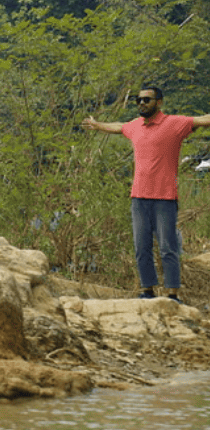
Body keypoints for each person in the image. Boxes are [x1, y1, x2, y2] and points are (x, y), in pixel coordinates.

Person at [82, 86, 210, 303]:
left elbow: (203, 120)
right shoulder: (135, 126)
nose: (141, 103)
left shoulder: (174, 123)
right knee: (142, 247)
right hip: (139, 197)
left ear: (159, 102)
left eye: (146, 100)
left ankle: (172, 294)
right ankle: (147, 290)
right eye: (138, 100)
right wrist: (96, 125)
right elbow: (119, 126)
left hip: (165, 198)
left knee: (168, 247)